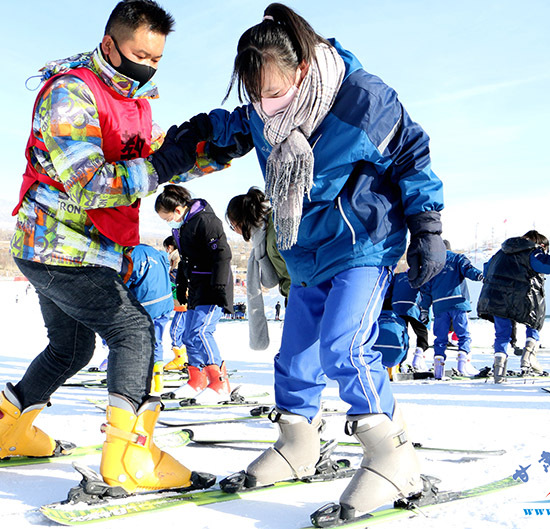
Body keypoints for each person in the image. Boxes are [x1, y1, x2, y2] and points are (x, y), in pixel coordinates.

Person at [163, 3, 446, 520]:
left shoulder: (361, 99)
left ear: (302, 71)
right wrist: (174, 148)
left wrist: (427, 227)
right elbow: (224, 131)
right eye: (255, 95)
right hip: (306, 249)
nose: (265, 107)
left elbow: (411, 154)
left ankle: (392, 456)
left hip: (362, 241)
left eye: (273, 92)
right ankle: (299, 444)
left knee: (344, 346)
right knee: (294, 357)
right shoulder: (262, 112)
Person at [0, 0, 219, 497]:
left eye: (156, 59)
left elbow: (145, 164)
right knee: (135, 331)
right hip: (60, 247)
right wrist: (162, 165)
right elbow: (92, 185)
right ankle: (130, 458)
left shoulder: (131, 99)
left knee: (71, 347)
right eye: (139, 54)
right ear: (110, 44)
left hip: (72, 250)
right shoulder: (70, 94)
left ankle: (8, 430)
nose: (148, 65)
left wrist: (202, 156)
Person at [155, 184, 234, 404]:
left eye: (167, 217)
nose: (167, 222)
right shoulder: (182, 227)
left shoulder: (206, 221)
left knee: (201, 332)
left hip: (212, 285)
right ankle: (197, 379)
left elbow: (222, 254)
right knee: (189, 335)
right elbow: (185, 260)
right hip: (196, 285)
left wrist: (219, 286)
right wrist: (181, 284)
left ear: (178, 210)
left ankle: (219, 382)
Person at [476, 230, 550, 383]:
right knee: (534, 319)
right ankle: (528, 358)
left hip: (494, 297)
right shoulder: (532, 252)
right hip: (520, 297)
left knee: (502, 333)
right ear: (541, 244)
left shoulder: (500, 253)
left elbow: (486, 269)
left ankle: (499, 371)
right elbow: (546, 264)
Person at [226, 187, 291, 349]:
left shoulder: (275, 232)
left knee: (295, 359)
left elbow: (296, 269)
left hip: (304, 297)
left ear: (242, 220)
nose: (235, 231)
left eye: (233, 225)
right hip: (296, 296)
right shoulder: (263, 236)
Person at [419, 246, 483, 378]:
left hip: (439, 305)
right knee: (463, 335)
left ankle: (438, 369)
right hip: (458, 301)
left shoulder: (432, 263)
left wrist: (424, 309)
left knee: (440, 338)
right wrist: (481, 276)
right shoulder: (457, 258)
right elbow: (469, 270)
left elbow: (426, 290)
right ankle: (462, 365)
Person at [119, 243, 175, 392]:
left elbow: (124, 280)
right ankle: (158, 380)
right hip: (166, 303)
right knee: (157, 342)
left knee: (140, 343)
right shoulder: (153, 251)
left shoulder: (130, 255)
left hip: (148, 305)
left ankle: (143, 381)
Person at [388, 268, 430, 371]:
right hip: (413, 308)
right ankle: (418, 359)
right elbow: (426, 292)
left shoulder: (398, 276)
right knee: (422, 334)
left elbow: (389, 290)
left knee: (402, 335)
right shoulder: (422, 276)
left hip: (397, 307)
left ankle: (400, 363)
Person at [163, 235, 189, 370]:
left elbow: (176, 281)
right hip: (182, 302)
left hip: (182, 303)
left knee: (175, 330)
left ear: (170, 247)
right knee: (182, 330)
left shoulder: (177, 260)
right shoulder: (177, 259)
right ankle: (185, 357)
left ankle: (180, 358)